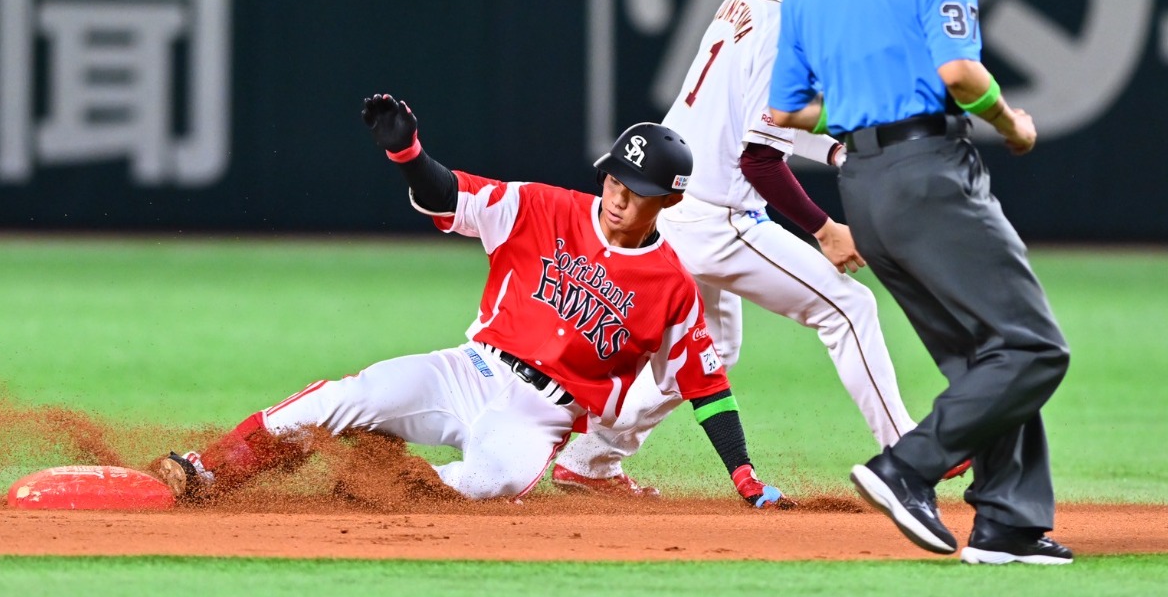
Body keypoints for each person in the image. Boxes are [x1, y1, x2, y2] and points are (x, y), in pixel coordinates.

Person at [156, 94, 792, 509]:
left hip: (539, 418)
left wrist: (743, 475)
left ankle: (377, 484)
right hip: (470, 369)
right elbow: (448, 197)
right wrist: (408, 155)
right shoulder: (542, 206)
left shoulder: (672, 285)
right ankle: (205, 472)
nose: (619, 195)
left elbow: (706, 384)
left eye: (638, 188)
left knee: (496, 482)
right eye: (614, 178)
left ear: (670, 201)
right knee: (353, 396)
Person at [553, 0, 957, 496]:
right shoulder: (784, 29)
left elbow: (754, 121)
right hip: (718, 218)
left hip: (679, 204)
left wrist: (839, 150)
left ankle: (591, 458)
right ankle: (907, 453)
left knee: (711, 349)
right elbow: (760, 157)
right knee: (849, 308)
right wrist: (825, 230)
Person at [768, 0, 1072, 565]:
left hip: (863, 187)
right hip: (929, 172)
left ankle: (1009, 522)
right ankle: (905, 467)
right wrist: (1012, 122)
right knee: (1034, 348)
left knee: (983, 357)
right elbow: (960, 76)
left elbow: (784, 111)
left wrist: (863, 104)